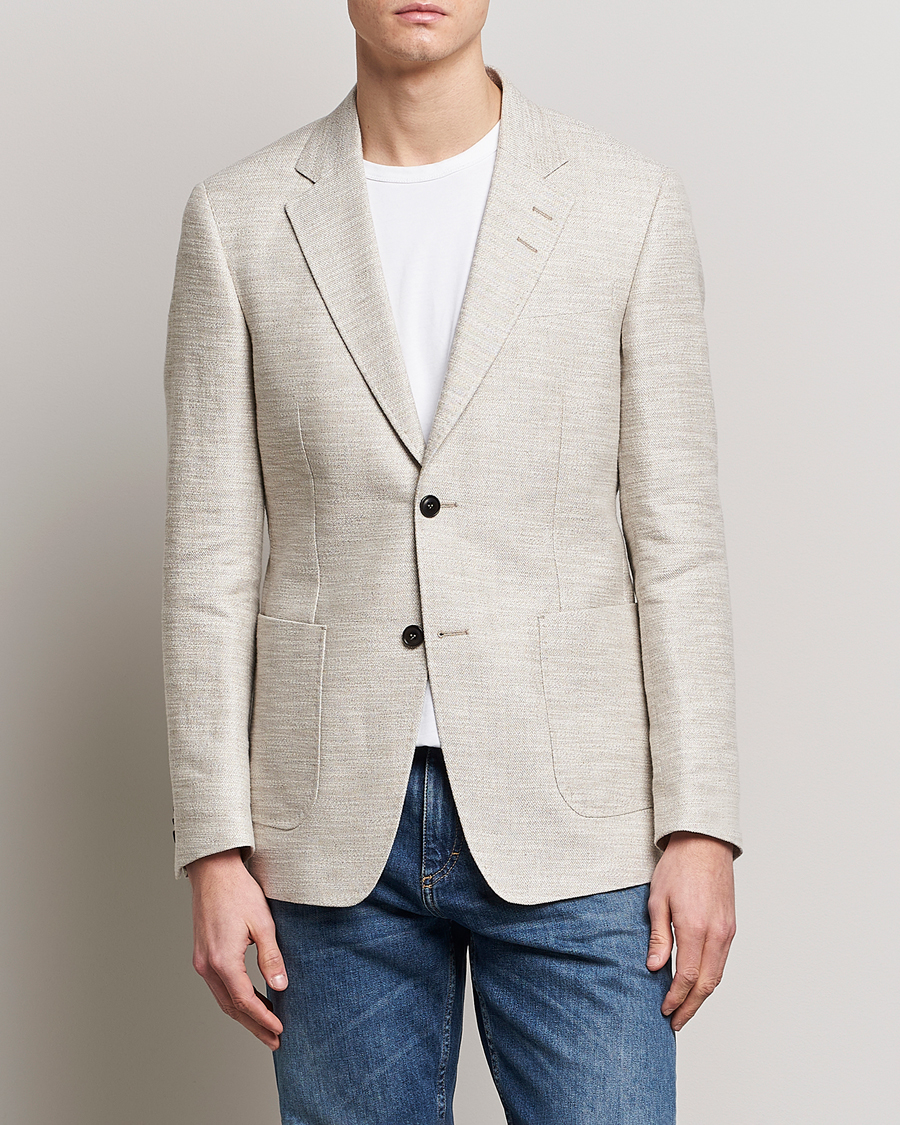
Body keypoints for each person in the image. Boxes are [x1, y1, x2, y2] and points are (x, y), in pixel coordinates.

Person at [162, 2, 742, 1121]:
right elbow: (208, 565)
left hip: (579, 820)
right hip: (327, 830)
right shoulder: (237, 221)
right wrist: (213, 847)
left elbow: (678, 544)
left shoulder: (627, 205)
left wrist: (701, 822)